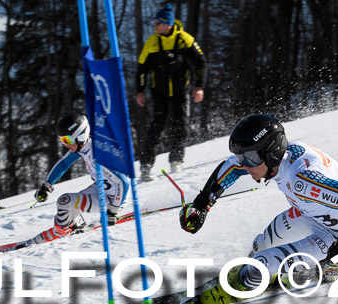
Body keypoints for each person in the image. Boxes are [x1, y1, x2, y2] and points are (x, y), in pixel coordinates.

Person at [179, 114, 338, 304]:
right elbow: (232, 167)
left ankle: (243, 287)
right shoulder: (280, 158)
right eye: (242, 156)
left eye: (250, 157)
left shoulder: (302, 180)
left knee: (261, 263)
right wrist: (202, 205)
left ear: (271, 152)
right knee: (259, 246)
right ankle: (255, 271)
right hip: (310, 214)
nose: (245, 164)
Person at [27, 112, 130, 245]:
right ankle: (72, 225)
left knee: (64, 201)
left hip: (113, 198)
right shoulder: (85, 147)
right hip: (102, 190)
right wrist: (47, 185)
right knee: (70, 209)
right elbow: (64, 163)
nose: (64, 145)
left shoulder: (96, 157)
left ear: (80, 136)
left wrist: (113, 211)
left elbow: (123, 182)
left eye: (67, 140)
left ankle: (61, 233)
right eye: (62, 140)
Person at [136, 4, 206, 181]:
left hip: (181, 92)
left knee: (180, 124)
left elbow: (201, 63)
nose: (155, 27)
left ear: (167, 24)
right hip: (159, 93)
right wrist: (140, 91)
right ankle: (145, 165)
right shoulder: (152, 42)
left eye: (157, 23)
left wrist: (199, 87)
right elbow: (141, 68)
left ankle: (176, 160)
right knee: (156, 126)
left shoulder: (185, 39)